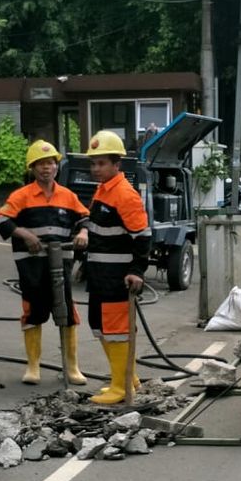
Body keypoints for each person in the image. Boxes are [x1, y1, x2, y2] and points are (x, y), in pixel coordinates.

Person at [0, 140, 90, 386]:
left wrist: (83, 234)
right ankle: (33, 366)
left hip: (62, 263)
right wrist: (25, 235)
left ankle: (72, 367)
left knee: (67, 309)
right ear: (32, 168)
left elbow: (85, 218)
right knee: (33, 310)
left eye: (50, 163)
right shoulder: (21, 196)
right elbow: (0, 220)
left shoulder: (68, 196)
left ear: (56, 167)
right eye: (40, 164)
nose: (46, 168)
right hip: (32, 265)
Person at [83, 130, 150, 405]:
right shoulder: (103, 191)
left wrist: (136, 270)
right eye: (93, 163)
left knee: (116, 331)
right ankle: (127, 377)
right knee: (99, 325)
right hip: (99, 275)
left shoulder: (124, 194)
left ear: (116, 164)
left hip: (116, 278)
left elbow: (143, 237)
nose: (96, 169)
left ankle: (121, 387)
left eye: (102, 163)